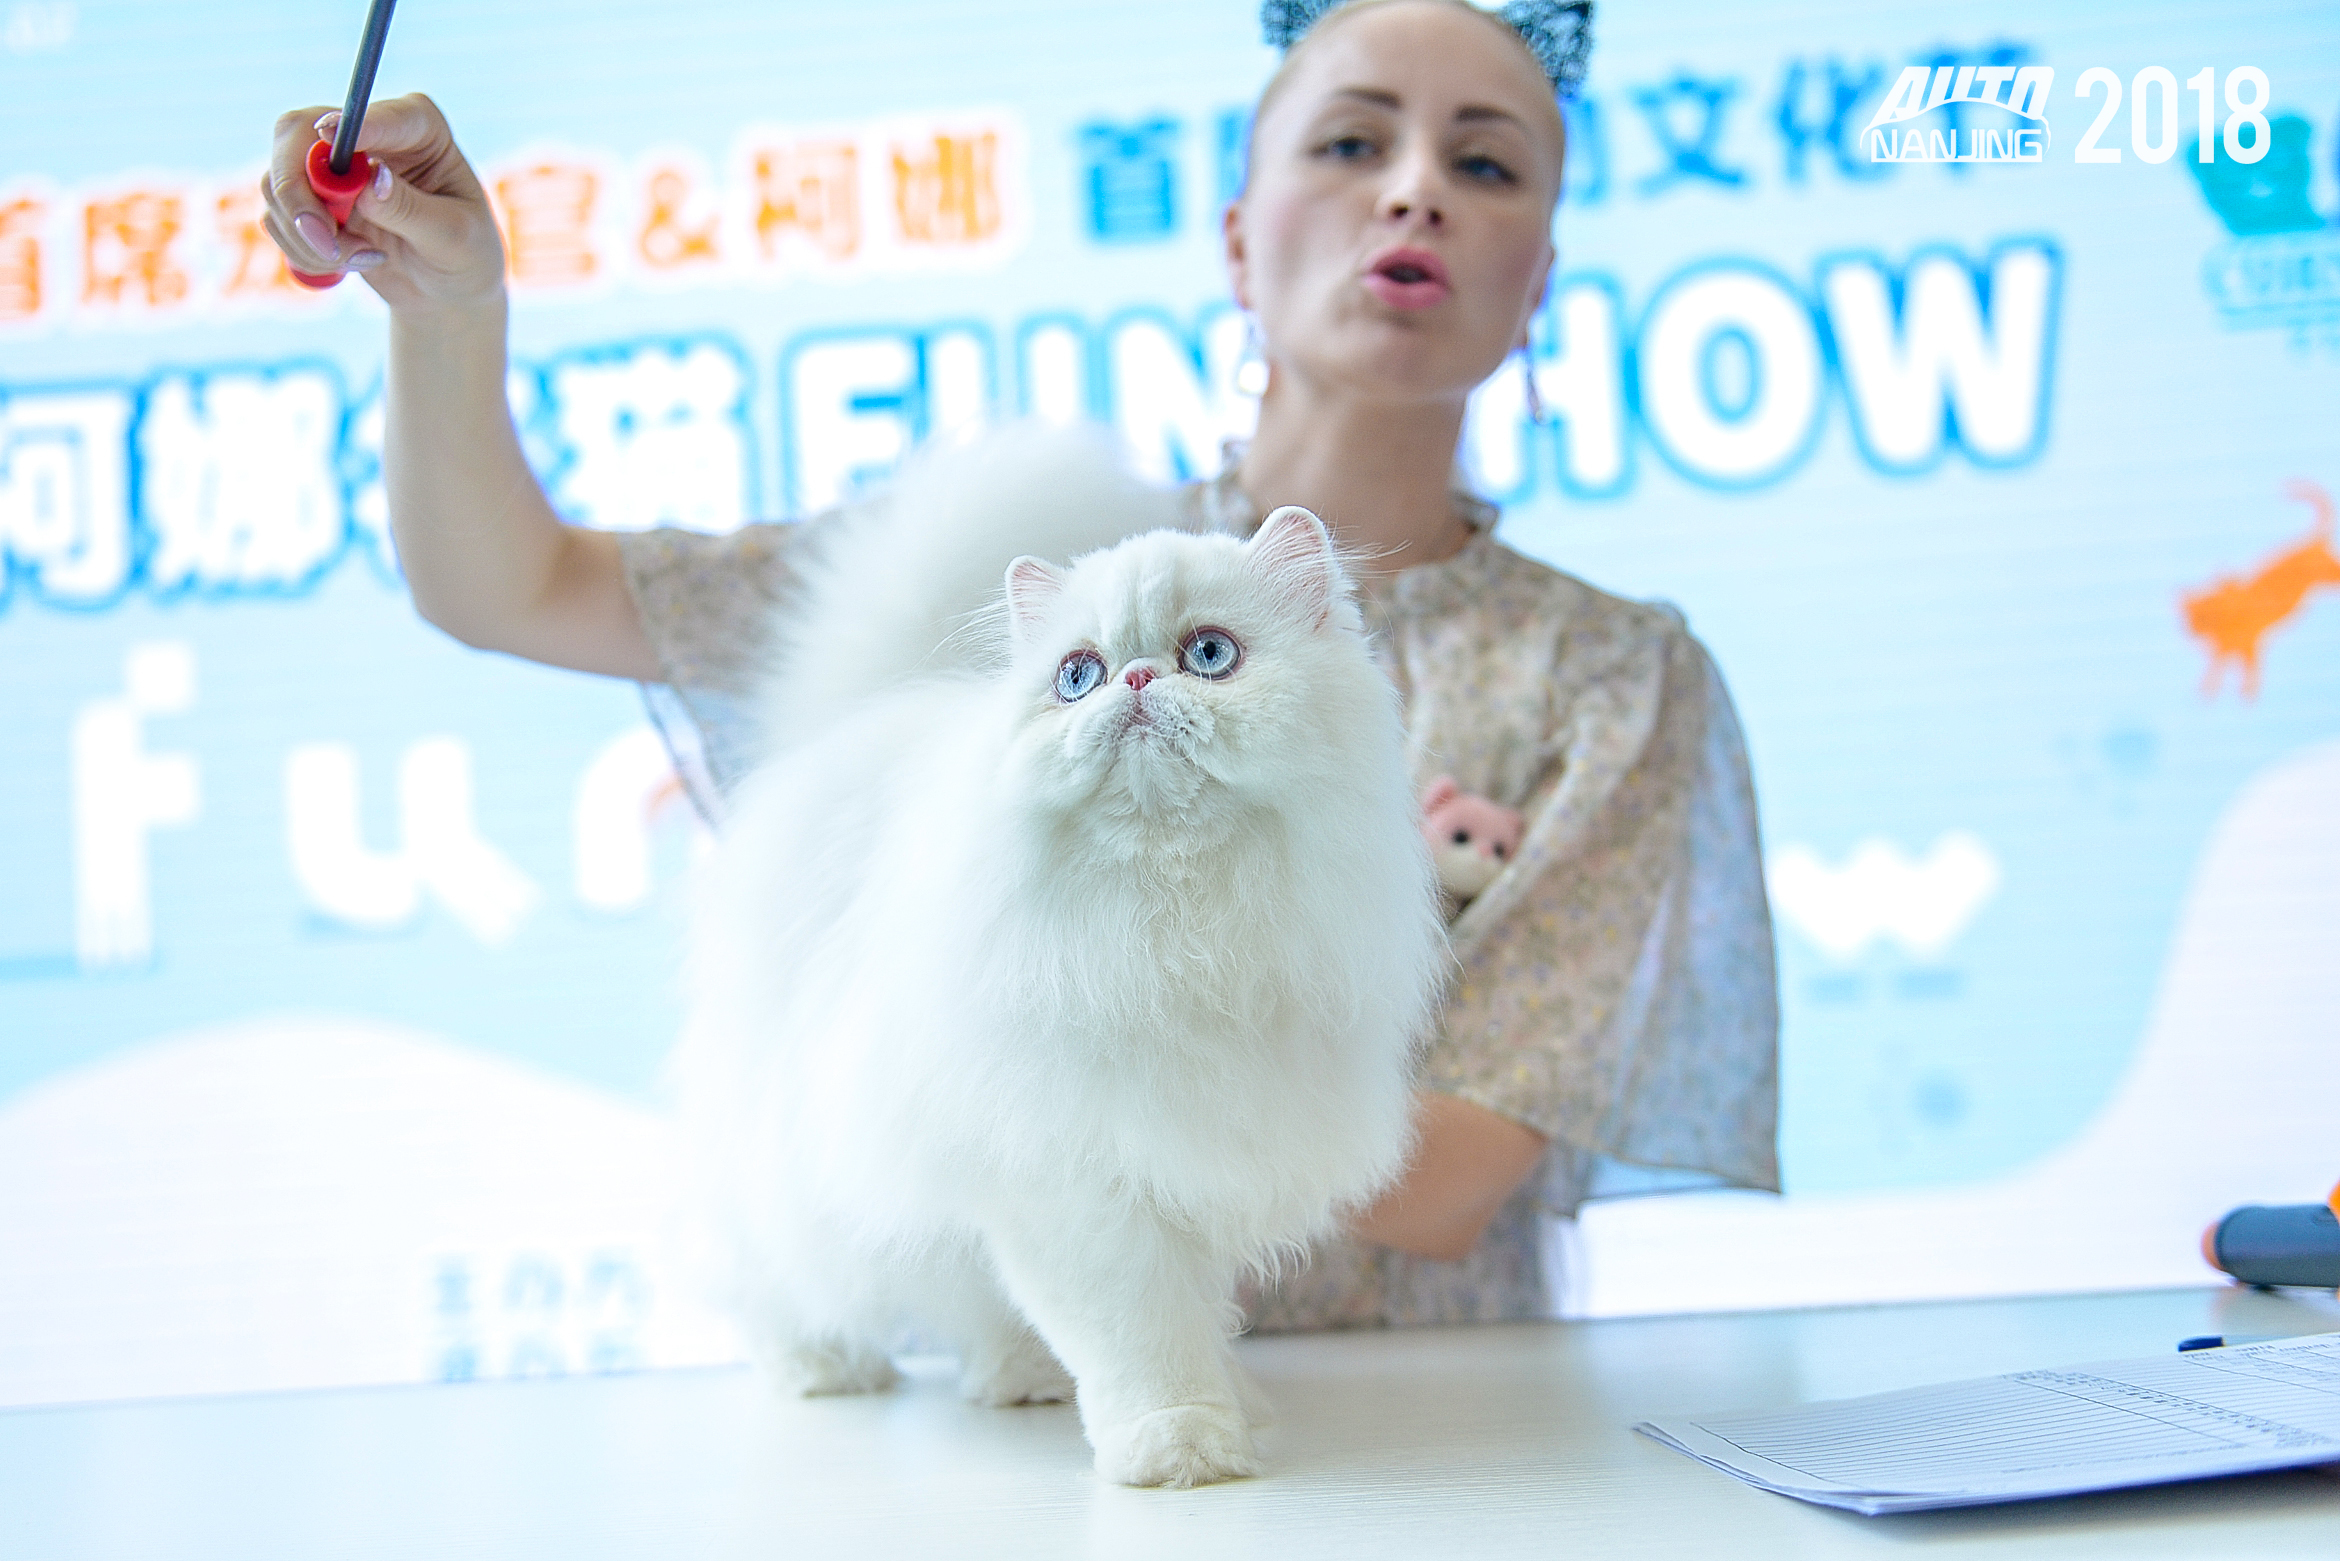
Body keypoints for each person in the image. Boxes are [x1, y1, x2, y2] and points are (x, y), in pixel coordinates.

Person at [259, 0, 1779, 1330]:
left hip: (1444, 1447)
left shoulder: (1614, 676)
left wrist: (997, 1047)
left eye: (1486, 165)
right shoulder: (1038, 562)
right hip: (1021, 1428)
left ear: (1542, 282)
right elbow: (512, 587)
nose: (1414, 192)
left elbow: (1451, 1178)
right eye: (1350, 143)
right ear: (1237, 237)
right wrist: (450, 309)